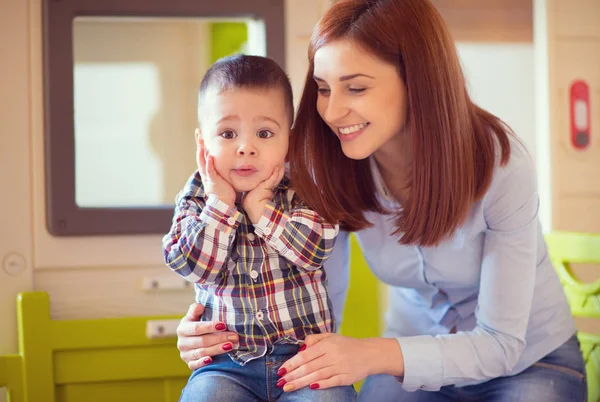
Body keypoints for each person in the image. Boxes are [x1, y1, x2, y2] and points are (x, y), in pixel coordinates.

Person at [173, 1, 587, 401]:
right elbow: (314, 292)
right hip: (408, 360)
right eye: (322, 89)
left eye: (356, 87)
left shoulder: (501, 167)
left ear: (417, 81)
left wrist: (367, 354)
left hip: (531, 361)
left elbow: (501, 344)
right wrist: (214, 330)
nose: (332, 112)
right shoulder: (327, 165)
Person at [162, 54, 356, 401]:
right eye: (227, 133)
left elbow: (314, 250)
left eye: (264, 133)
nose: (246, 148)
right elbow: (191, 266)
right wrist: (221, 205)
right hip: (226, 365)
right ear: (202, 142)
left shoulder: (306, 188)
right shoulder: (195, 196)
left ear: (290, 141)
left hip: (305, 360)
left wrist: (261, 209)